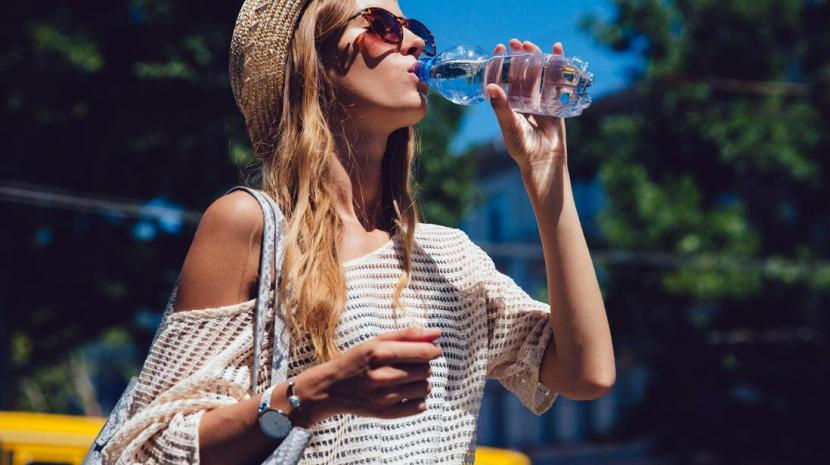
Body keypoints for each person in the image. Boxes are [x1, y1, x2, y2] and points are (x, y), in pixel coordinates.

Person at [101, 0, 615, 463]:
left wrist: (549, 184)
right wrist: (313, 395)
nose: (415, 42)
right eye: (383, 25)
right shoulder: (250, 225)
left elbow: (586, 373)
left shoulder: (449, 256)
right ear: (315, 62)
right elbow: (150, 449)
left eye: (417, 30)